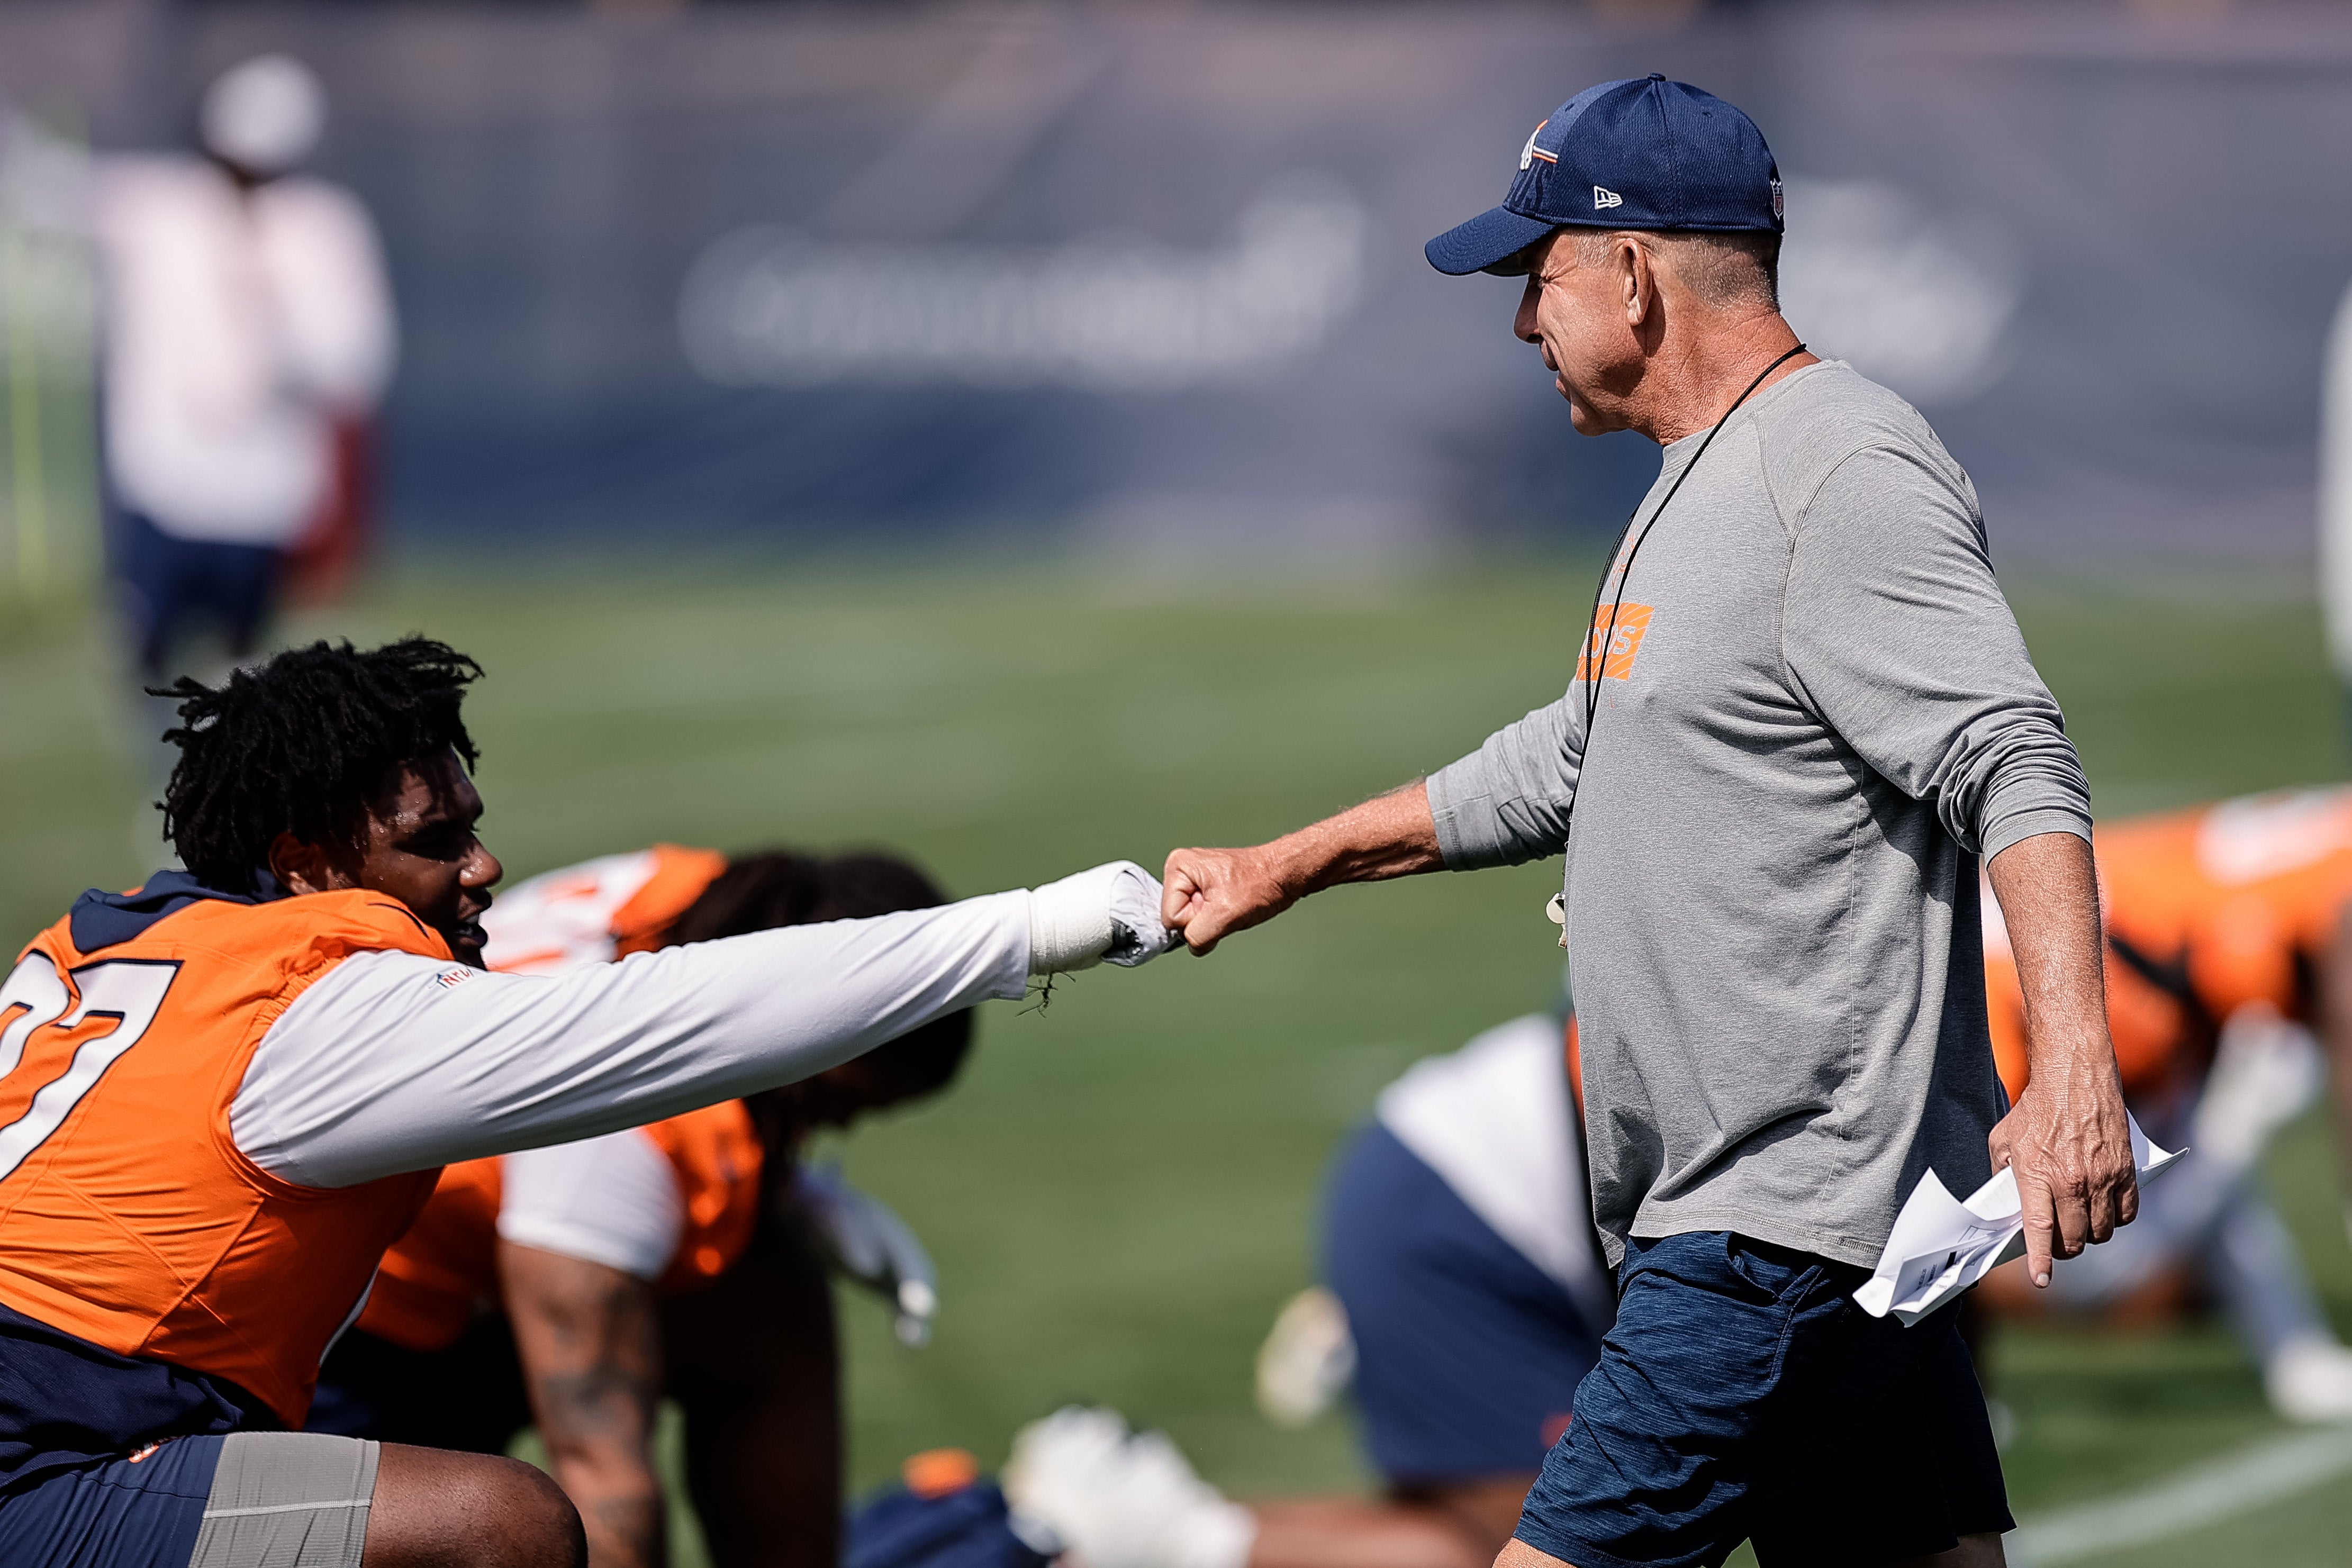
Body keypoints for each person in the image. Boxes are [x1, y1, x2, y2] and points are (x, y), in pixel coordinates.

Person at [1161, 76, 2136, 1568]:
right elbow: (1571, 757)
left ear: (1628, 273)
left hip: (1778, 1225)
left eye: (1533, 276)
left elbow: (2011, 755)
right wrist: (1285, 865)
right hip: (1817, 1229)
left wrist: (2071, 1063)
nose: (1516, 321)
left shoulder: (1838, 469)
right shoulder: (1701, 477)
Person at [0, 637, 1171, 1568]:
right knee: (500, 1524)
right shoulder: (321, 1010)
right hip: (64, 1449)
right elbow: (678, 1016)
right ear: (305, 859)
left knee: (760, 1294)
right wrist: (1037, 925)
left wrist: (794, 1183)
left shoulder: (121, 940)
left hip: (131, 1398)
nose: (485, 866)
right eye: (436, 840)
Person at [311, 844, 981, 1568]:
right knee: (561, 1506)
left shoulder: (719, 901)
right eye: (836, 1100)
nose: (838, 1130)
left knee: (772, 1304)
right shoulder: (620, 1131)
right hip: (343, 1345)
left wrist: (792, 1186)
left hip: (460, 1239)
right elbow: (604, 1479)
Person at [1972, 785, 2352, 1420]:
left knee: (2226, 1111)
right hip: (2093, 982)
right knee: (2224, 1125)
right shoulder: (1994, 1015)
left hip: (2127, 951)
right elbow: (2011, 1261)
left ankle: (2296, 1352)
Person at [93, 55, 393, 695]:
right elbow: (49, 190)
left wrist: (281, 343)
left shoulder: (321, 229)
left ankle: (227, 777)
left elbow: (357, 360)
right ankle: (171, 776)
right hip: (166, 471)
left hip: (262, 485)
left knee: (243, 650)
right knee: (149, 644)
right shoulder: (163, 210)